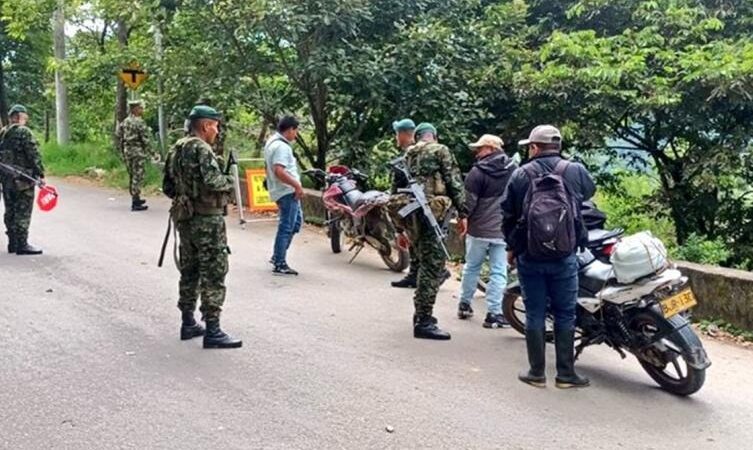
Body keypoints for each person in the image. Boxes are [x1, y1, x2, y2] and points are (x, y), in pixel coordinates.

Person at [501, 125, 595, 388]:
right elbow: (588, 193)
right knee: (566, 313)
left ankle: (536, 373)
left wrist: (512, 248)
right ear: (558, 146)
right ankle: (565, 375)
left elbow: (507, 213)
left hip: (530, 256)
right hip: (565, 255)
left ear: (534, 147)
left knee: (535, 312)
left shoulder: (520, 174)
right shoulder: (574, 170)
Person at [163, 105, 242, 349]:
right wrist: (230, 179)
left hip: (185, 219)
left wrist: (187, 194)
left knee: (190, 270)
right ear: (206, 125)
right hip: (208, 220)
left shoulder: (177, 149)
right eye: (215, 126)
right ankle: (213, 330)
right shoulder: (202, 149)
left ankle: (188, 322)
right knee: (214, 272)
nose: (217, 131)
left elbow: (167, 187)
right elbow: (214, 181)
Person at [398, 122, 467, 340]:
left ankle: (420, 315)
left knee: (423, 263)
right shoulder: (441, 150)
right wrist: (464, 214)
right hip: (433, 215)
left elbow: (396, 188)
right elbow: (454, 182)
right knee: (432, 267)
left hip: (413, 217)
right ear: (434, 136)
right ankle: (423, 321)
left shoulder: (408, 154)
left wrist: (399, 228)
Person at [456, 134, 517, 328]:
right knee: (499, 271)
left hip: (478, 229)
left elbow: (469, 202)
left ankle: (464, 304)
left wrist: (463, 218)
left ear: (490, 149)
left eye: (480, 149)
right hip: (502, 231)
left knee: (472, 266)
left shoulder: (477, 173)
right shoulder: (515, 170)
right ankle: (494, 314)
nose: (476, 153)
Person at [390, 118, 452, 289]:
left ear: (405, 134)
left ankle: (437, 272)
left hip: (429, 205)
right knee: (415, 242)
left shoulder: (420, 153)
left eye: (397, 133)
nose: (396, 137)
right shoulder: (410, 154)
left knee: (427, 244)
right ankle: (414, 274)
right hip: (413, 203)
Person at [0, 104, 44, 255]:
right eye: (24, 116)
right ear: (18, 116)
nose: (26, 120)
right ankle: (22, 244)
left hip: (6, 179)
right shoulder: (24, 132)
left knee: (10, 209)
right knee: (23, 211)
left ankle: (12, 243)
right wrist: (40, 173)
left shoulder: (3, 133)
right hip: (23, 179)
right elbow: (33, 154)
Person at [264, 115, 304, 276]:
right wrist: (297, 185)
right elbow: (279, 170)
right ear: (290, 130)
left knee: (295, 223)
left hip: (283, 190)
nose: (296, 135)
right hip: (287, 191)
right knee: (286, 226)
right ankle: (279, 261)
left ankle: (277, 255)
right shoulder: (282, 147)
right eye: (296, 131)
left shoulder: (272, 142)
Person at [117, 100, 152, 211]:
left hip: (127, 151)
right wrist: (152, 153)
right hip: (137, 151)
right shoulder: (139, 122)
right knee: (138, 175)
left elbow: (118, 135)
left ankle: (136, 197)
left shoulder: (125, 122)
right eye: (140, 108)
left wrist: (122, 149)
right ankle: (135, 202)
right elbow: (145, 140)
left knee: (132, 175)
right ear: (135, 109)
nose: (142, 110)